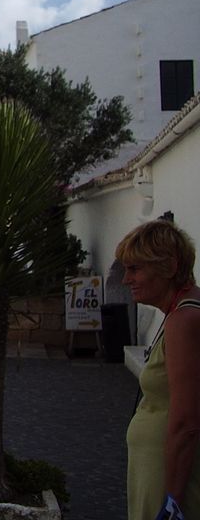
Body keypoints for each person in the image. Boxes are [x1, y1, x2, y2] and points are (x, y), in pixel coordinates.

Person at [120, 219, 200, 520]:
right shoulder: (182, 312)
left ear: (168, 266)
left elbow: (186, 422)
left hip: (168, 476)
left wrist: (172, 502)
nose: (127, 279)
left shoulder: (184, 320)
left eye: (135, 269)